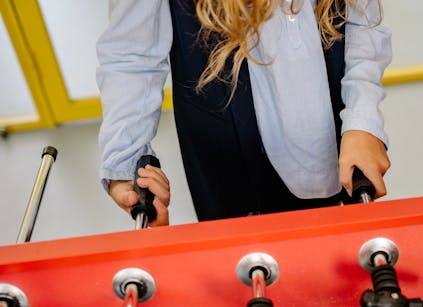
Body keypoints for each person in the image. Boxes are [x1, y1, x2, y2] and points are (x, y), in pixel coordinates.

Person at [97, 0, 391, 226]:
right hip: (229, 149)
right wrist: (125, 161)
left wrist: (362, 120)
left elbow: (362, 23)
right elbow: (132, 57)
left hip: (330, 141)